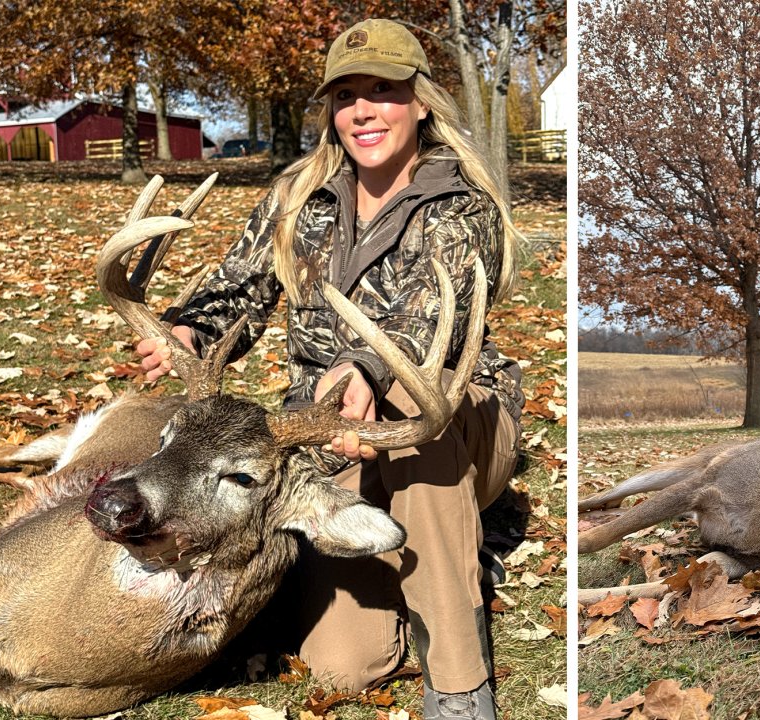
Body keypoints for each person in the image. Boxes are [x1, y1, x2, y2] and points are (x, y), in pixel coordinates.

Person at [136, 18, 523, 720]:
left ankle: (461, 685)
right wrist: (193, 325)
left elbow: (442, 318)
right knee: (344, 666)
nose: (362, 111)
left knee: (414, 398)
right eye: (346, 95)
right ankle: (450, 571)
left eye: (383, 90)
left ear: (422, 101)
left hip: (451, 426)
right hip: (324, 435)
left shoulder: (461, 205)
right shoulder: (300, 195)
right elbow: (242, 284)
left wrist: (365, 371)